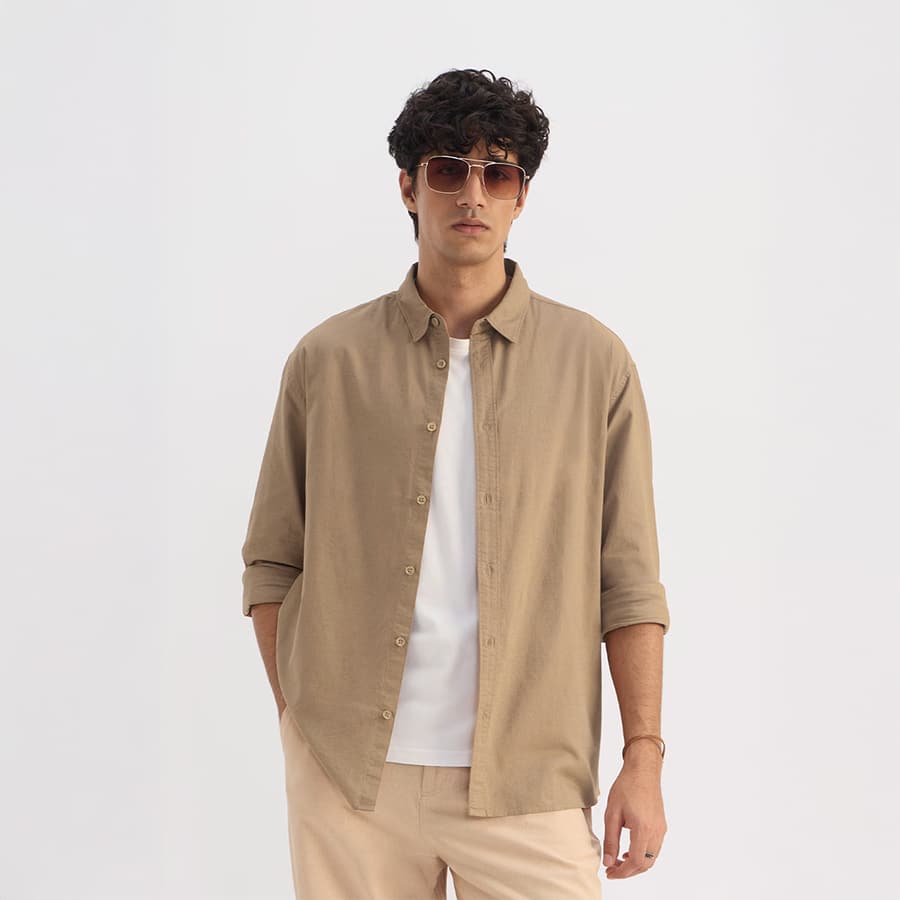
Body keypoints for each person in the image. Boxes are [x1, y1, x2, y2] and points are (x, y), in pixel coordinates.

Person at [241, 67, 670, 899]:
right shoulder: (329, 361)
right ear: (409, 187)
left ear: (521, 196)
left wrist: (643, 757)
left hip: (528, 777)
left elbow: (629, 582)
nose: (472, 194)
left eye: (497, 173)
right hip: (349, 777)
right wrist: (302, 723)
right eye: (448, 169)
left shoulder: (594, 363)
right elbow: (272, 562)